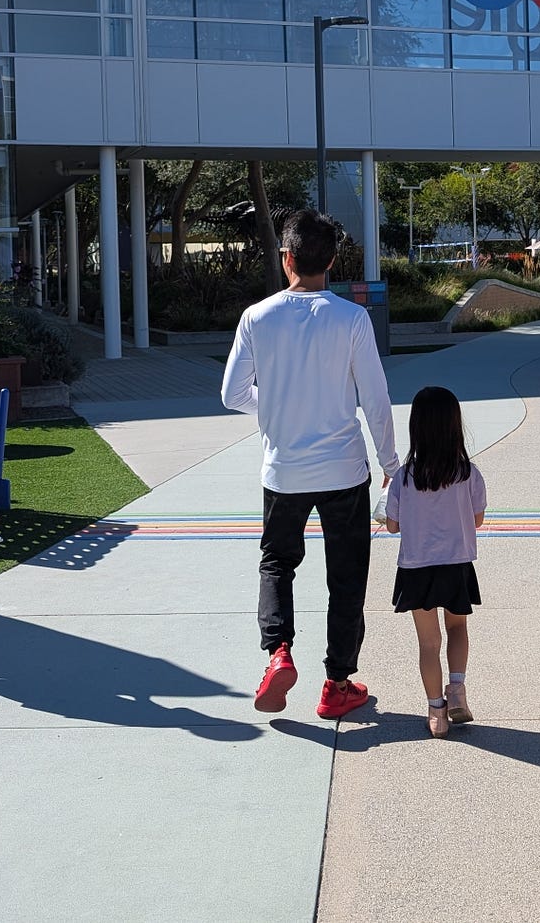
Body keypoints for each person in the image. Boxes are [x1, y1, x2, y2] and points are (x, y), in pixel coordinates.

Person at [222, 209, 399, 720]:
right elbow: (376, 398)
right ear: (334, 261)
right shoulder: (352, 319)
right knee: (346, 578)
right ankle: (337, 683)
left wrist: (276, 403)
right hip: (345, 470)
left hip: (283, 472)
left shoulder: (257, 317)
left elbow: (232, 393)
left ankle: (278, 653)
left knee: (277, 563)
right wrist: (390, 461)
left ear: (287, 258)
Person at [385, 386, 486, 738]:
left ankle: (436, 713)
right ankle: (457, 689)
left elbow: (393, 524)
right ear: (454, 427)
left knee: (428, 644)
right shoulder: (468, 473)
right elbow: (477, 520)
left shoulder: (404, 477)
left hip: (416, 568)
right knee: (457, 628)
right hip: (456, 563)